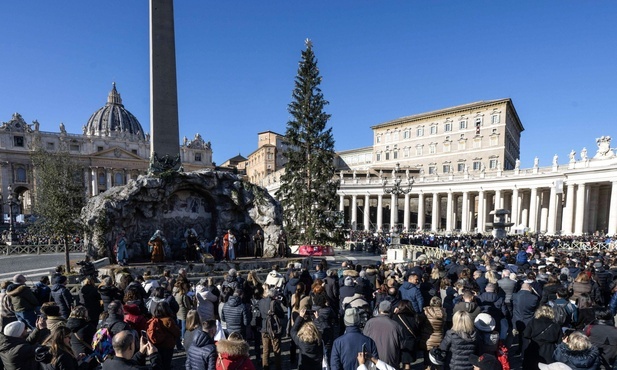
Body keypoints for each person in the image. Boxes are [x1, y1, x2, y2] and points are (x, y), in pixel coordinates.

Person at [362, 300, 404, 369]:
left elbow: (364, 340)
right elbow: (401, 345)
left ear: (379, 309)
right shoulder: (396, 325)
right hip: (390, 362)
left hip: (372, 360)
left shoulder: (370, 323)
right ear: (391, 310)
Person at [522, 305, 561, 370]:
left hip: (534, 349)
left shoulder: (533, 322)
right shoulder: (556, 325)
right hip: (549, 352)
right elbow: (559, 341)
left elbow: (526, 334)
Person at [146, 301, 180, 370]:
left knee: (159, 363)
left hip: (157, 345)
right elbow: (177, 333)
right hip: (167, 345)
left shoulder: (154, 319)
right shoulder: (168, 320)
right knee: (166, 364)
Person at [258, 285, 286, 370]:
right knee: (276, 350)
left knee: (265, 350)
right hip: (274, 328)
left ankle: (265, 367)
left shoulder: (260, 302)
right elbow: (281, 314)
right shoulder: (274, 303)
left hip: (264, 327)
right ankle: (278, 367)